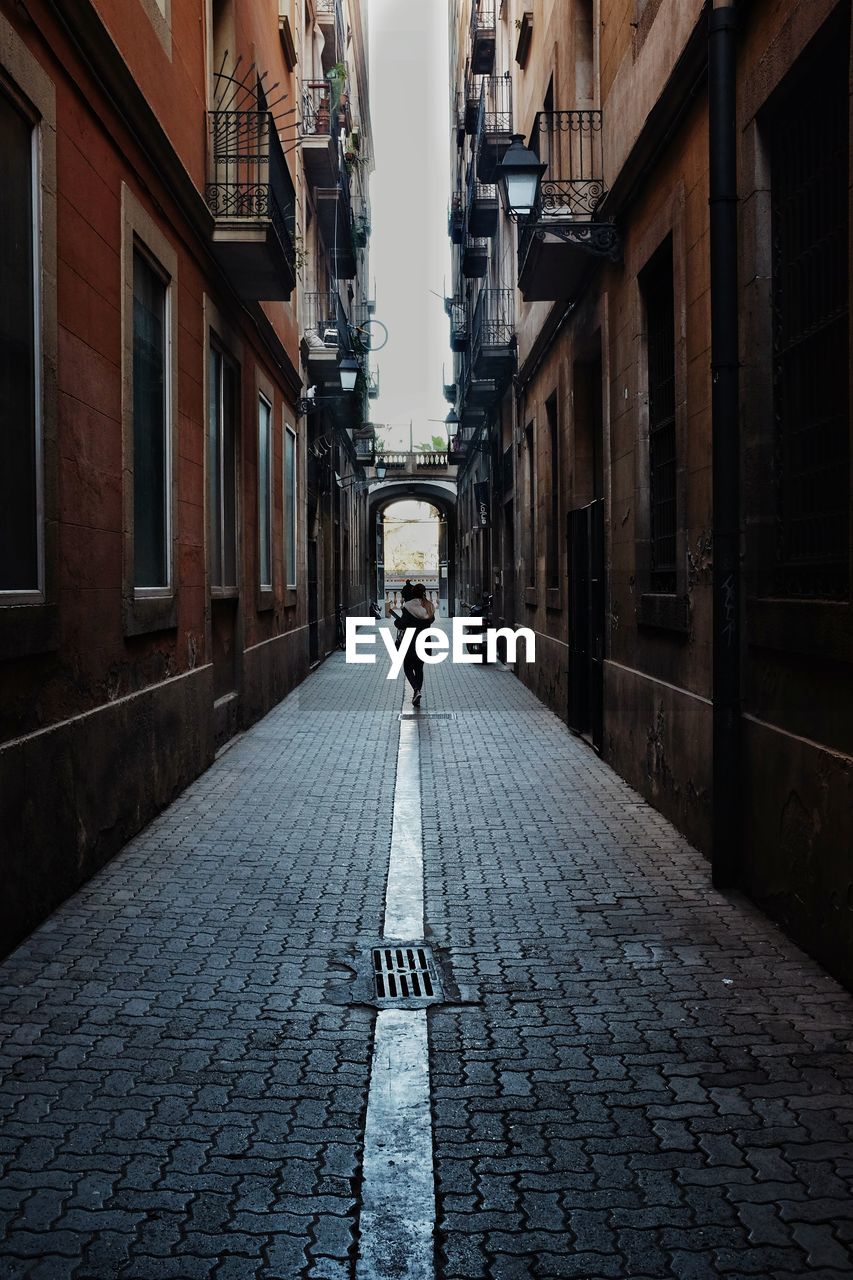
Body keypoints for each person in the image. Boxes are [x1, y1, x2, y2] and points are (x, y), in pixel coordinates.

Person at [398, 583, 435, 706]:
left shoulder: (408, 606)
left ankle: (416, 690)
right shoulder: (429, 606)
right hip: (425, 639)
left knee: (407, 667)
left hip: (411, 640)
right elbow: (431, 620)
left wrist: (397, 622)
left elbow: (402, 624)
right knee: (419, 668)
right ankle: (417, 693)